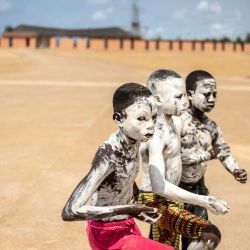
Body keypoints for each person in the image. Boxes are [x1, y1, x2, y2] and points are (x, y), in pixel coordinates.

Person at [62, 83, 173, 250]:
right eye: (141, 118)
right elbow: (70, 211)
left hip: (126, 224)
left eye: (154, 117)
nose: (151, 125)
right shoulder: (108, 155)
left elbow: (122, 174)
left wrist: (134, 192)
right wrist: (129, 208)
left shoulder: (135, 138)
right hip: (106, 233)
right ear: (119, 119)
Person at [138, 69, 229, 250]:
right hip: (158, 201)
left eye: (186, 95)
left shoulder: (175, 122)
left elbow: (194, 119)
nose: (185, 101)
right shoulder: (156, 134)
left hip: (173, 197)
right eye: (178, 97)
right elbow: (159, 185)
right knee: (206, 235)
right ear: (157, 100)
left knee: (183, 242)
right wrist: (204, 200)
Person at [178, 70, 247, 250]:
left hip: (198, 191)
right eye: (206, 94)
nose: (212, 98)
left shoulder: (212, 127)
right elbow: (175, 159)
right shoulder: (177, 123)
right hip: (173, 192)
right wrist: (209, 155)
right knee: (162, 240)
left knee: (200, 240)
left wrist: (235, 170)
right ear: (190, 94)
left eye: (215, 94)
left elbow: (223, 152)